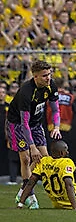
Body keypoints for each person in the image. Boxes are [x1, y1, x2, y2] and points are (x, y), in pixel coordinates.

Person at [5, 60, 61, 209]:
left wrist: (56, 127)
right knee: (26, 158)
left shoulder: (51, 85)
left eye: (49, 74)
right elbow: (24, 123)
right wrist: (32, 146)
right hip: (17, 124)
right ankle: (30, 195)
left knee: (43, 157)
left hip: (35, 124)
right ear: (35, 76)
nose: (48, 78)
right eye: (44, 75)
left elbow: (55, 109)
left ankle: (23, 190)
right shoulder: (26, 92)